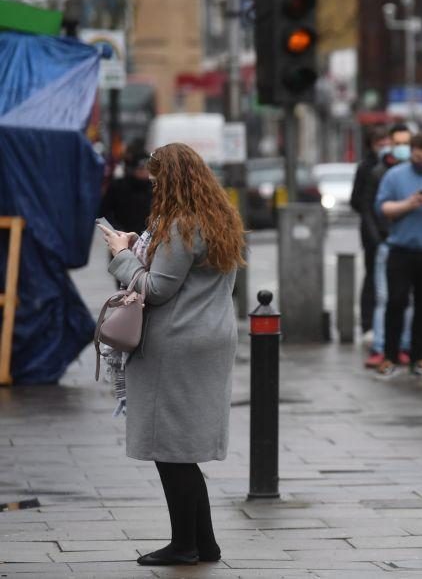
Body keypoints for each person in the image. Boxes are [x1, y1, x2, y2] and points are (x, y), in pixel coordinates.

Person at [97, 143, 245, 566]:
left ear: (173, 180)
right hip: (210, 337)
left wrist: (121, 254)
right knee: (181, 445)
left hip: (177, 342)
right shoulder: (220, 218)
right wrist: (135, 247)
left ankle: (185, 545)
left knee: (170, 448)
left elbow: (157, 289)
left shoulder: (180, 224)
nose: (155, 187)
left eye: (159, 179)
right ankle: (205, 542)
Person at [375, 131, 422, 376]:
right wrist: (409, 204)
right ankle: (389, 355)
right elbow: (383, 208)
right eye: (417, 155)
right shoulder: (395, 176)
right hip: (401, 250)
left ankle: (418, 357)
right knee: (396, 301)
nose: (421, 160)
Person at [361, 124, 413, 368]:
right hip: (388, 243)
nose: (403, 148)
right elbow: (369, 210)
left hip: (410, 244)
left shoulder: (414, 173)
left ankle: (403, 345)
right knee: (384, 297)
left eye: (407, 143)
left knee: (407, 299)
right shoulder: (380, 172)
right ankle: (381, 347)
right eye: (398, 143)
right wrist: (378, 240)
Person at [350, 125, 391, 341]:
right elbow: (358, 201)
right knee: (372, 277)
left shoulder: (394, 165)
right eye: (379, 143)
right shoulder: (366, 168)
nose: (384, 147)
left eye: (386, 142)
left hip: (390, 231)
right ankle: (368, 324)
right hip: (372, 233)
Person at [99, 146, 153, 235]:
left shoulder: (153, 189)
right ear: (133, 168)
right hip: (120, 236)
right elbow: (104, 212)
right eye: (141, 168)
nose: (145, 172)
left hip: (144, 239)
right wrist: (117, 230)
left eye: (148, 168)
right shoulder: (118, 186)